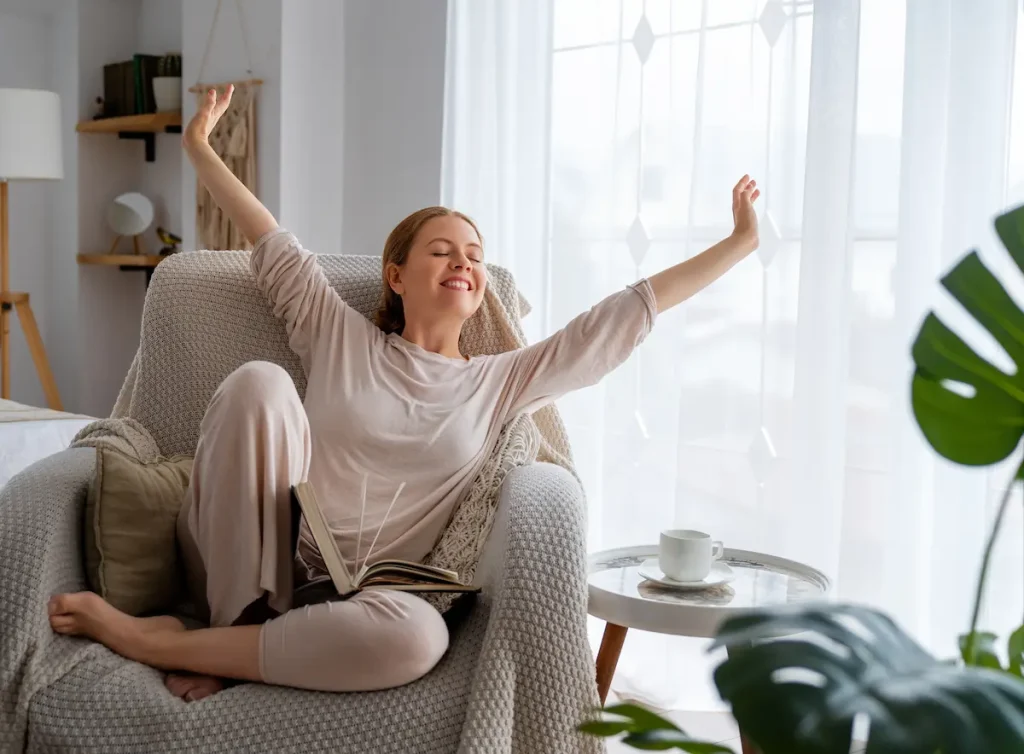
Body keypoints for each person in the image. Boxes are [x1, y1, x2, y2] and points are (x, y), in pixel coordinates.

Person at [47, 85, 761, 702]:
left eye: (475, 256)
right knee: (259, 386)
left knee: (419, 639)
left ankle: (176, 646)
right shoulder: (338, 332)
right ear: (396, 275)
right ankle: (226, 635)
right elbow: (268, 239)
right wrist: (200, 147)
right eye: (443, 250)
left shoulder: (501, 379)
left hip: (372, 599)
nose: (465, 263)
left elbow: (622, 316)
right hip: (262, 566)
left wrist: (737, 245)